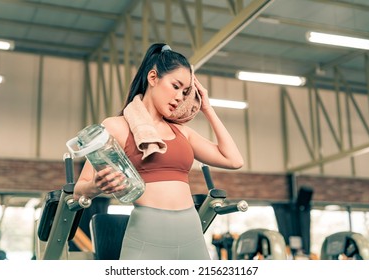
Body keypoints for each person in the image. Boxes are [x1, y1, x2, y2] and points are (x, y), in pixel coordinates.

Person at [73, 43, 244, 260]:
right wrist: (95, 186)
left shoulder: (182, 132)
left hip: (191, 234)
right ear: (153, 78)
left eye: (186, 92)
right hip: (147, 236)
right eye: (176, 86)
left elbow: (233, 160)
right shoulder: (117, 126)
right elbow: (79, 189)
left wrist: (207, 108)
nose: (181, 97)